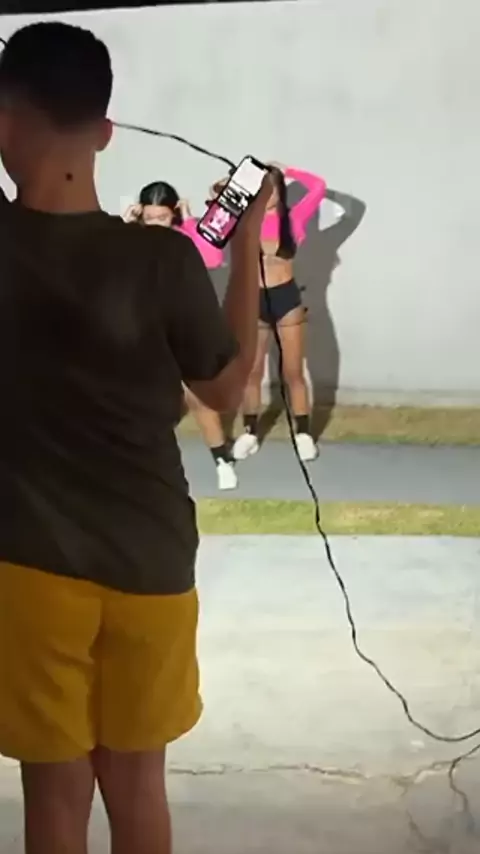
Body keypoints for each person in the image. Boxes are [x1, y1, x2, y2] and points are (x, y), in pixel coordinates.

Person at [0, 21, 270, 854]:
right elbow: (228, 388)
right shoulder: (162, 261)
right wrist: (249, 241)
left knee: (55, 795)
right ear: (107, 132)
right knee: (137, 785)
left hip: (28, 566)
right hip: (151, 560)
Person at [124, 182, 238, 491]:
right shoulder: (132, 239)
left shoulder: (184, 237)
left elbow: (211, 258)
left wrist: (188, 220)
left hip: (183, 327)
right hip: (146, 328)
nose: (155, 224)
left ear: (172, 213)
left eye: (161, 217)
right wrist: (126, 224)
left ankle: (221, 460)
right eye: (150, 217)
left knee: (198, 398)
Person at [214, 163, 326, 463]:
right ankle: (250, 432)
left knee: (293, 371)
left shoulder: (294, 218)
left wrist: (287, 169)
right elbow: (216, 191)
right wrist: (244, 176)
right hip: (253, 301)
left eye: (272, 190)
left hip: (286, 298)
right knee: (251, 372)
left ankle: (303, 434)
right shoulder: (242, 218)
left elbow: (318, 187)